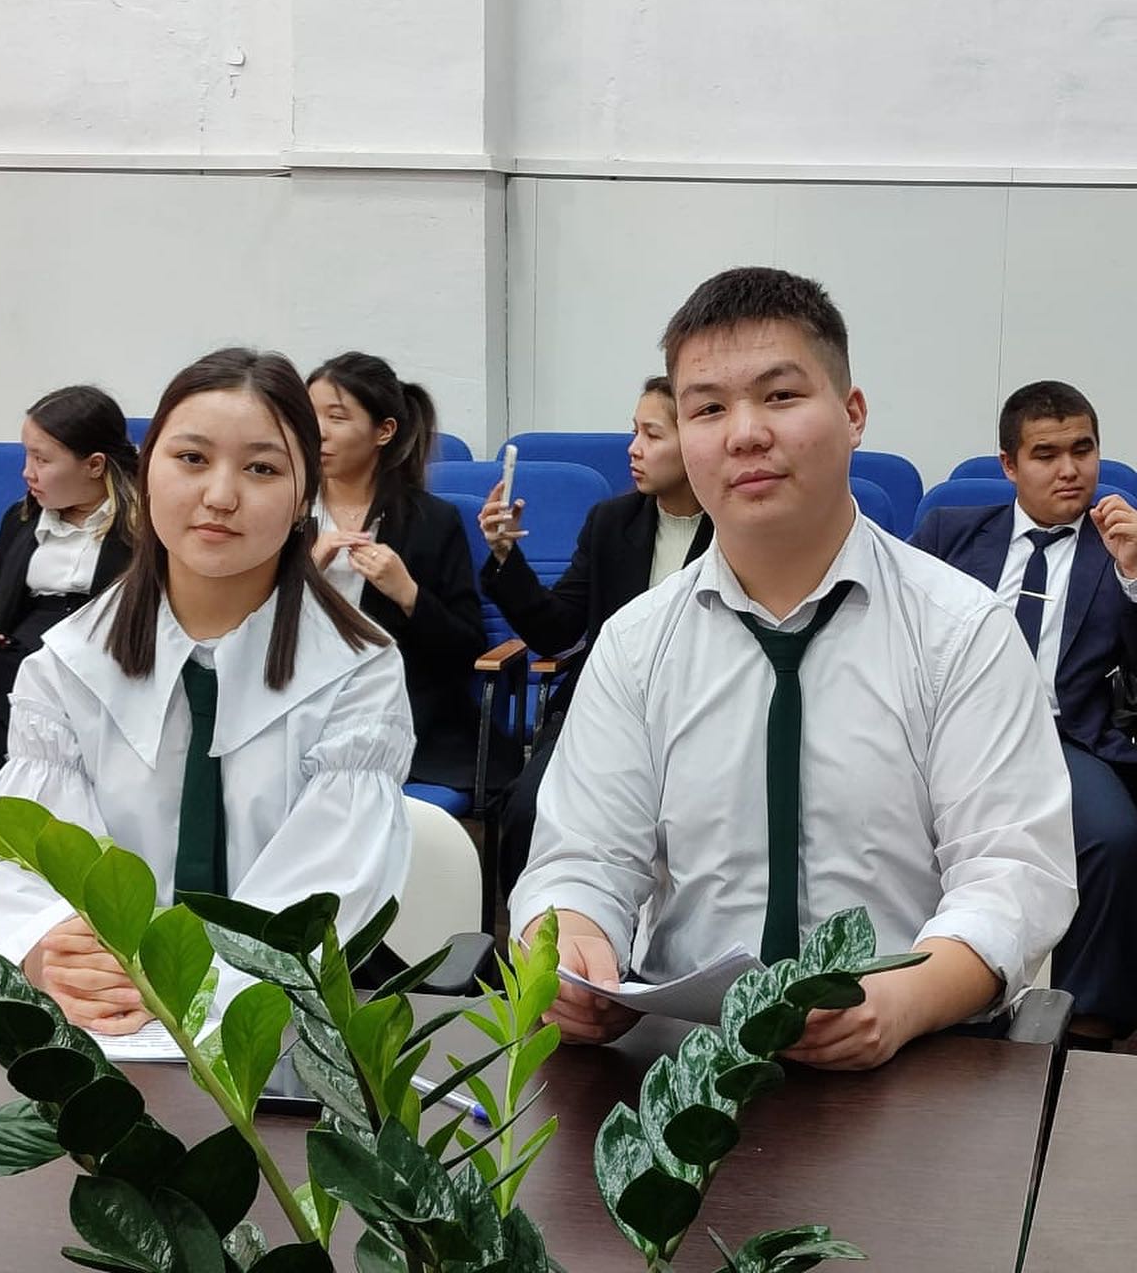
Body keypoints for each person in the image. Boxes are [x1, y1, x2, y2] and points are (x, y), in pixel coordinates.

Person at [508, 266, 1076, 1069]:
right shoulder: (636, 643)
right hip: (685, 1066)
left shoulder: (960, 632)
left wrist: (903, 1002)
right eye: (707, 408)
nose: (744, 434)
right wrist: (570, 944)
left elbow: (1011, 873)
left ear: (853, 414)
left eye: (779, 396)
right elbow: (581, 858)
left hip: (912, 1058)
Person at [0, 348, 414, 1035]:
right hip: (105, 1032)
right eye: (191, 458)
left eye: (261, 468)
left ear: (304, 495)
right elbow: (22, 857)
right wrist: (49, 950)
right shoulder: (69, 664)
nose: (220, 495)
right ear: (146, 471)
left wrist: (175, 985)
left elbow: (327, 890)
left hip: (278, 1035)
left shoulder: (356, 671)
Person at [911, 380, 1137, 1043]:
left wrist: (1134, 577)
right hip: (954, 732)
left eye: (1082, 450)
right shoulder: (952, 533)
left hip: (1064, 737)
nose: (1070, 470)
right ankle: (919, 988)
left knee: (1114, 838)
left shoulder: (1117, 543)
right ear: (1009, 465)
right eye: (1046, 454)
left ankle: (1087, 1020)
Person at [477, 376, 713, 895]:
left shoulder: (735, 530)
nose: (633, 448)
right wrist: (505, 559)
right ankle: (535, 936)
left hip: (701, 721)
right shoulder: (611, 523)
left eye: (652, 435)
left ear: (695, 443)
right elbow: (556, 631)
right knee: (528, 809)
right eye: (634, 431)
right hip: (604, 711)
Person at [0, 385, 139, 804]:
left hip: (100, 665)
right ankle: (18, 812)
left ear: (94, 465)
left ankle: (1, 819)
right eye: (26, 456)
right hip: (24, 657)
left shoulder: (146, 529)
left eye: (42, 459)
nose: (27, 473)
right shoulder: (21, 520)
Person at [307, 351, 507, 792]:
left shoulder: (431, 521)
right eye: (309, 414)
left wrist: (408, 594)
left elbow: (466, 648)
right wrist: (304, 577)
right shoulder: (283, 512)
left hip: (400, 713)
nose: (317, 430)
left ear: (384, 431)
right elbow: (242, 629)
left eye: (336, 417)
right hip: (298, 708)